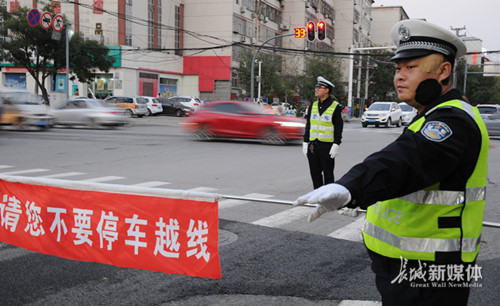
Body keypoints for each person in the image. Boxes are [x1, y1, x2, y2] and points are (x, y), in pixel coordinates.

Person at [295, 19, 489, 305]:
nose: (399, 76)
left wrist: (352, 188)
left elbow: (407, 160)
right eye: (398, 68)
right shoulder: (429, 112)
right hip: (410, 267)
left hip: (428, 272)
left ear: (444, 71)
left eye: (411, 68)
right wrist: (366, 201)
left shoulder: (453, 119)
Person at [302, 76, 344, 189]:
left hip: (327, 146)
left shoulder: (335, 106)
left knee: (328, 174)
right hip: (313, 146)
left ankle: (328, 198)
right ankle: (318, 197)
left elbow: (338, 127)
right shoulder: (313, 105)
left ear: (327, 90)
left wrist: (336, 144)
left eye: (319, 87)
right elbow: (309, 125)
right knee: (315, 174)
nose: (316, 89)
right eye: (316, 87)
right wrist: (305, 142)